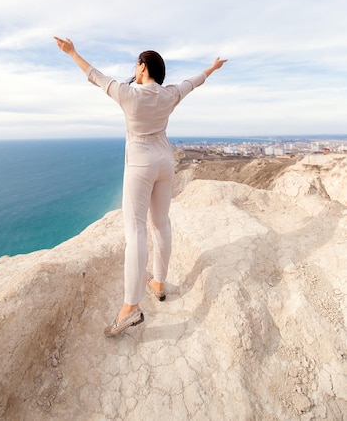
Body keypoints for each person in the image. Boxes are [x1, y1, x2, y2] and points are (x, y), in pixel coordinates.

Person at [54, 36, 227, 337]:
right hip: (165, 162)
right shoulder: (169, 94)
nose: (134, 69)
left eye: (136, 64)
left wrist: (72, 52)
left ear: (143, 68)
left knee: (135, 231)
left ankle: (130, 307)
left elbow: (94, 75)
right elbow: (193, 82)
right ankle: (158, 283)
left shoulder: (128, 95)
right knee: (161, 223)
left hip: (140, 164)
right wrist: (212, 68)